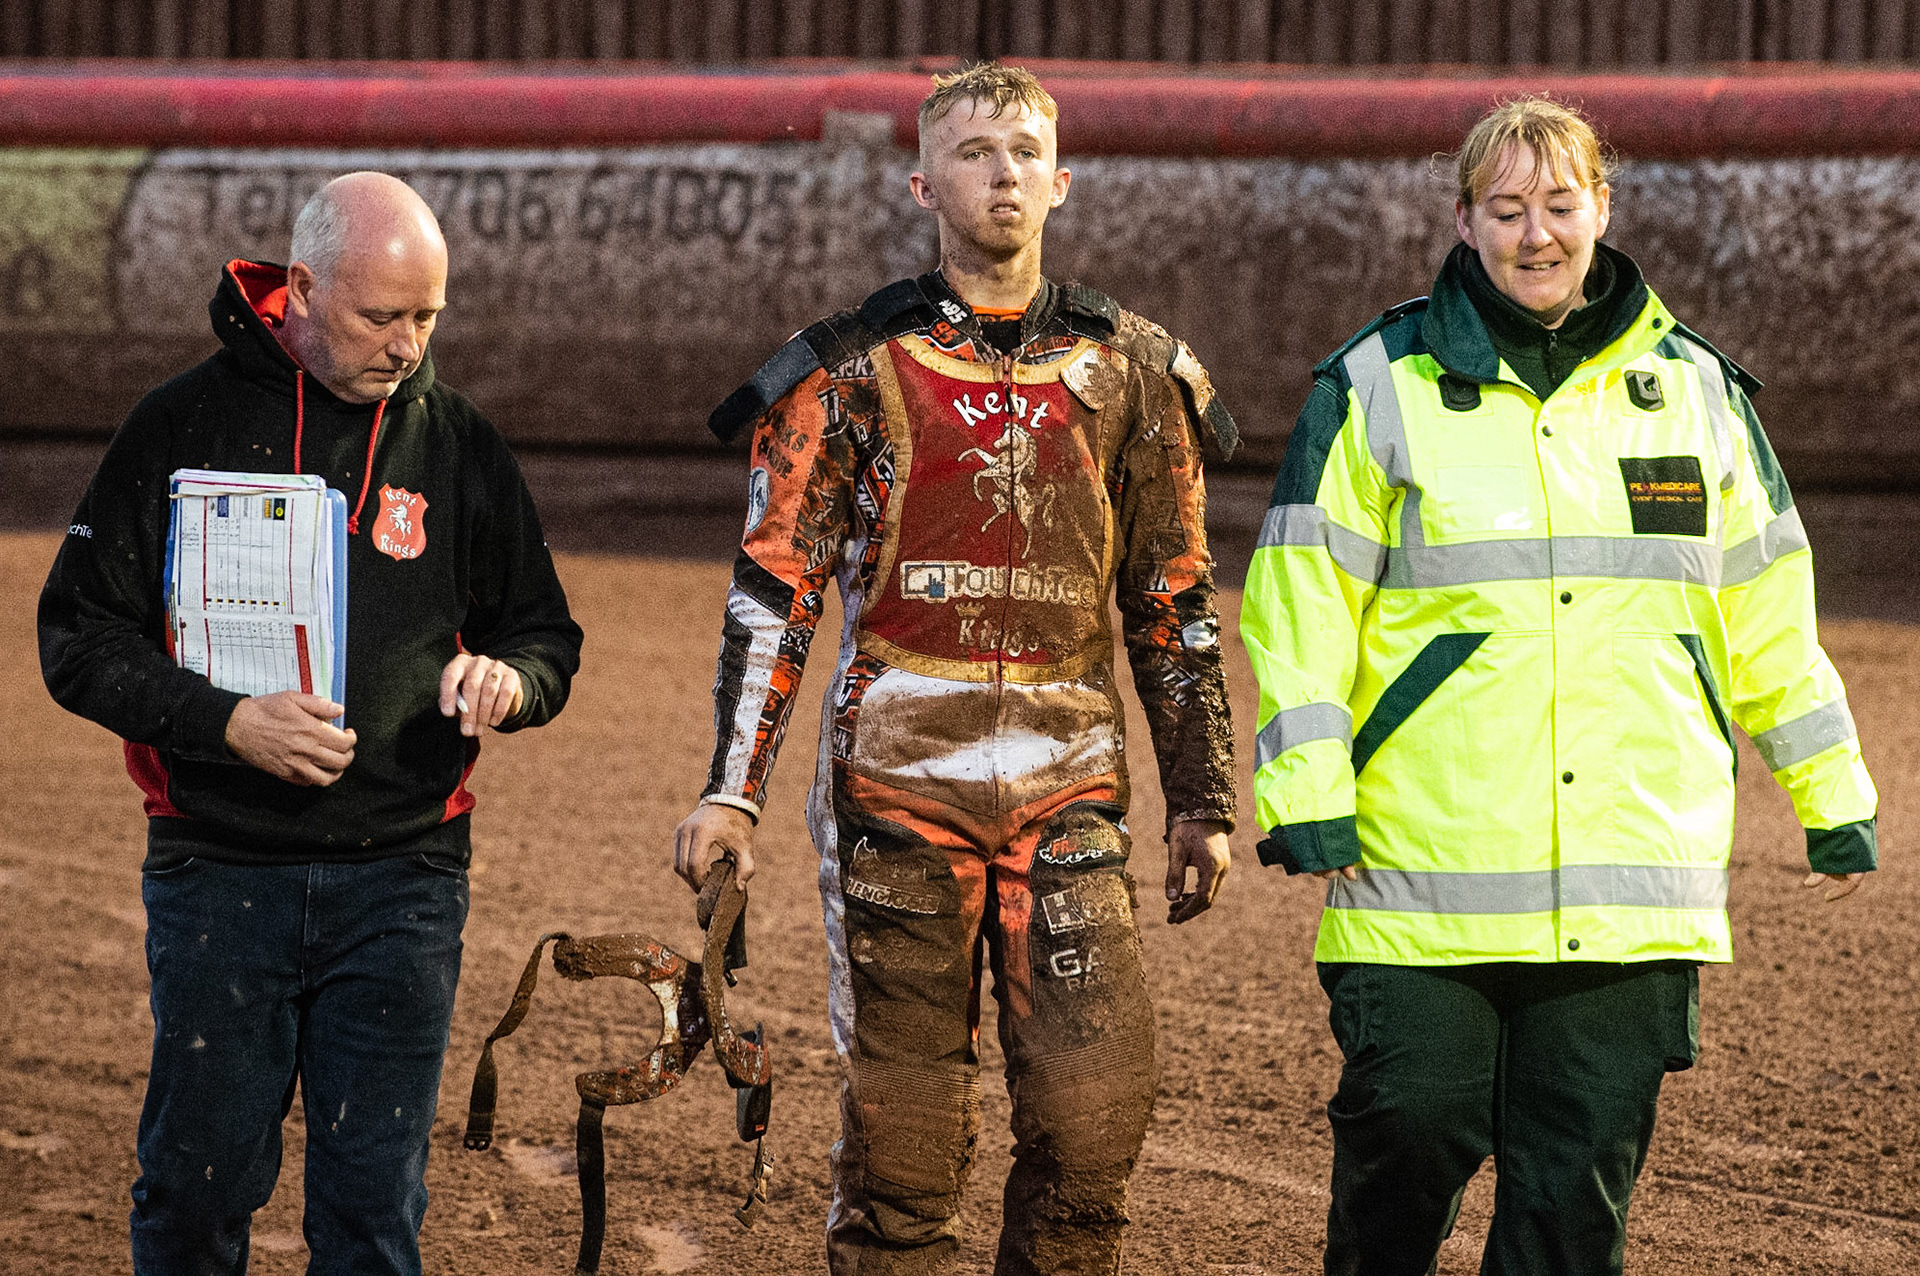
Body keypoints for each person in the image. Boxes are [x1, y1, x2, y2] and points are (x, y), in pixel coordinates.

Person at [1239, 96, 1879, 1275]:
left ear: (1605, 209)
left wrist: (1831, 790)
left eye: (1561, 205)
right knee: (1409, 1130)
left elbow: (1769, 612)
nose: (1538, 235)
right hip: (1420, 867)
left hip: (1631, 880)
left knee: (1571, 1202)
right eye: (1508, 209)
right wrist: (1305, 785)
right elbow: (1301, 600)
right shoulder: (1379, 382)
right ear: (1465, 221)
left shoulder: (1697, 395)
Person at [673, 62, 1238, 1275]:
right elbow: (773, 596)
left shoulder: (1134, 375)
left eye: (1026, 152)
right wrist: (731, 791)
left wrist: (1202, 802)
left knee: (1093, 1141)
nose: (1004, 174)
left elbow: (1176, 604)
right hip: (896, 804)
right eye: (976, 152)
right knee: (905, 1165)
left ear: (1063, 183)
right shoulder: (847, 373)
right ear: (926, 182)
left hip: (1072, 801)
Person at [39, 171, 583, 1275]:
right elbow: (77, 640)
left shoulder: (461, 443)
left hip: (406, 882)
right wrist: (227, 725)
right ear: (296, 288)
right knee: (193, 1197)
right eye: (383, 315)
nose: (409, 344)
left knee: (372, 1215)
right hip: (217, 875)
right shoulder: (178, 424)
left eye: (428, 316)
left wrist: (510, 682)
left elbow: (545, 636)